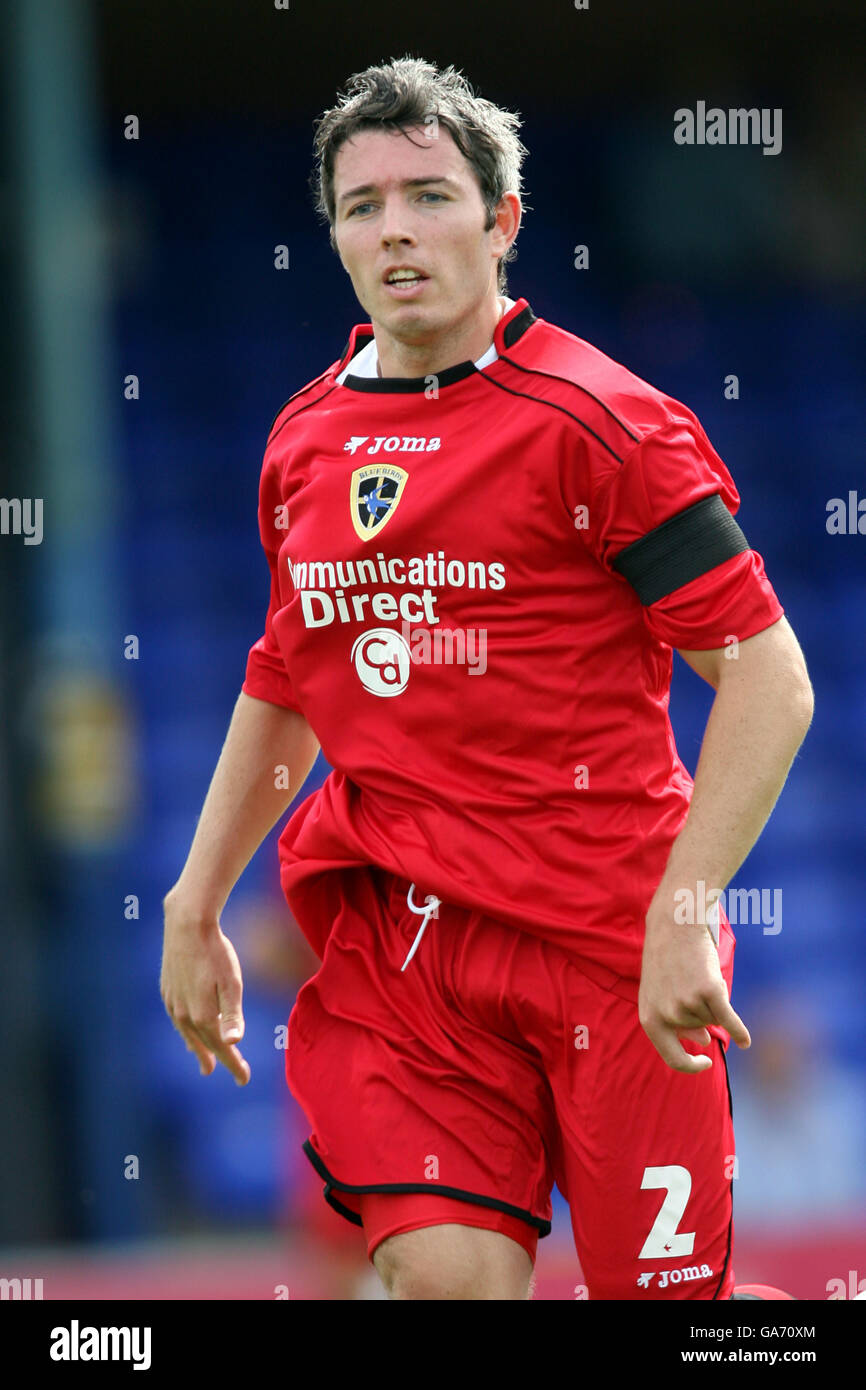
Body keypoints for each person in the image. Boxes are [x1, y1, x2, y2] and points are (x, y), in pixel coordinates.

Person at [160, 56, 814, 1301]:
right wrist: (197, 900)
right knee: (446, 1282)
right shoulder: (303, 441)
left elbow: (769, 678)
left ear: (502, 221)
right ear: (336, 238)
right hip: (411, 954)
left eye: (429, 195)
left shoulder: (605, 423)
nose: (395, 229)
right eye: (362, 206)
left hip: (608, 943)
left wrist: (683, 914)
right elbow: (289, 677)